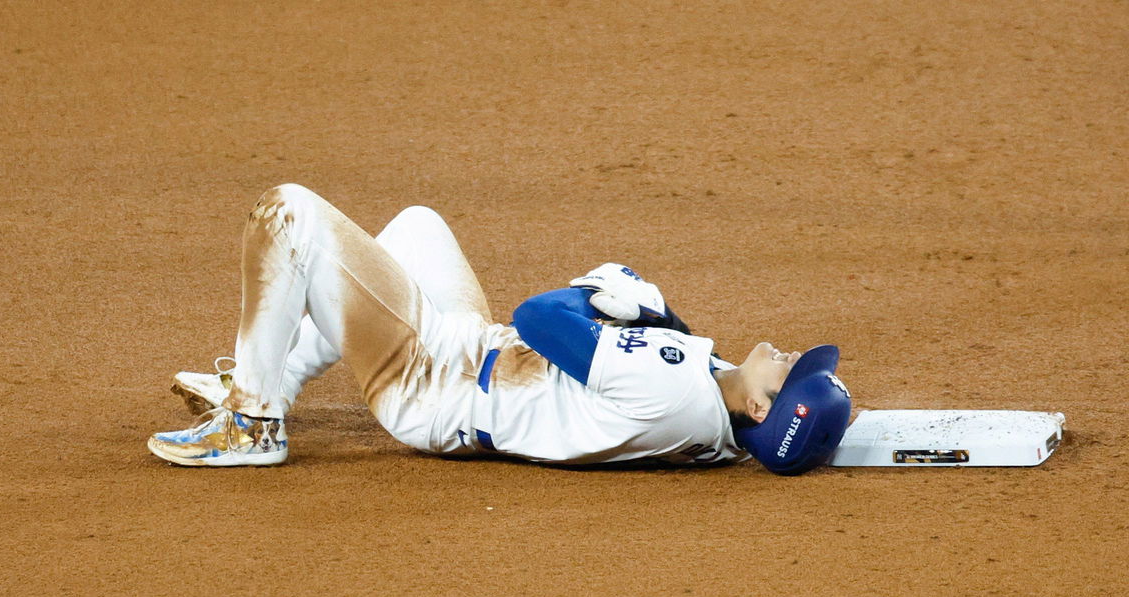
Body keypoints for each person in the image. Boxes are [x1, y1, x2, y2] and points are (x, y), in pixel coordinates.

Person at [148, 184, 851, 475]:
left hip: (431, 381)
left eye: (791, 373)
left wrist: (594, 294)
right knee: (417, 226)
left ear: (761, 408)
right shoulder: (716, 420)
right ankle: (272, 375)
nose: (789, 356)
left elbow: (541, 319)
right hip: (471, 355)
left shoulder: (671, 390)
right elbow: (668, 354)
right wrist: (654, 312)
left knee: (288, 211)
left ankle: (252, 421)